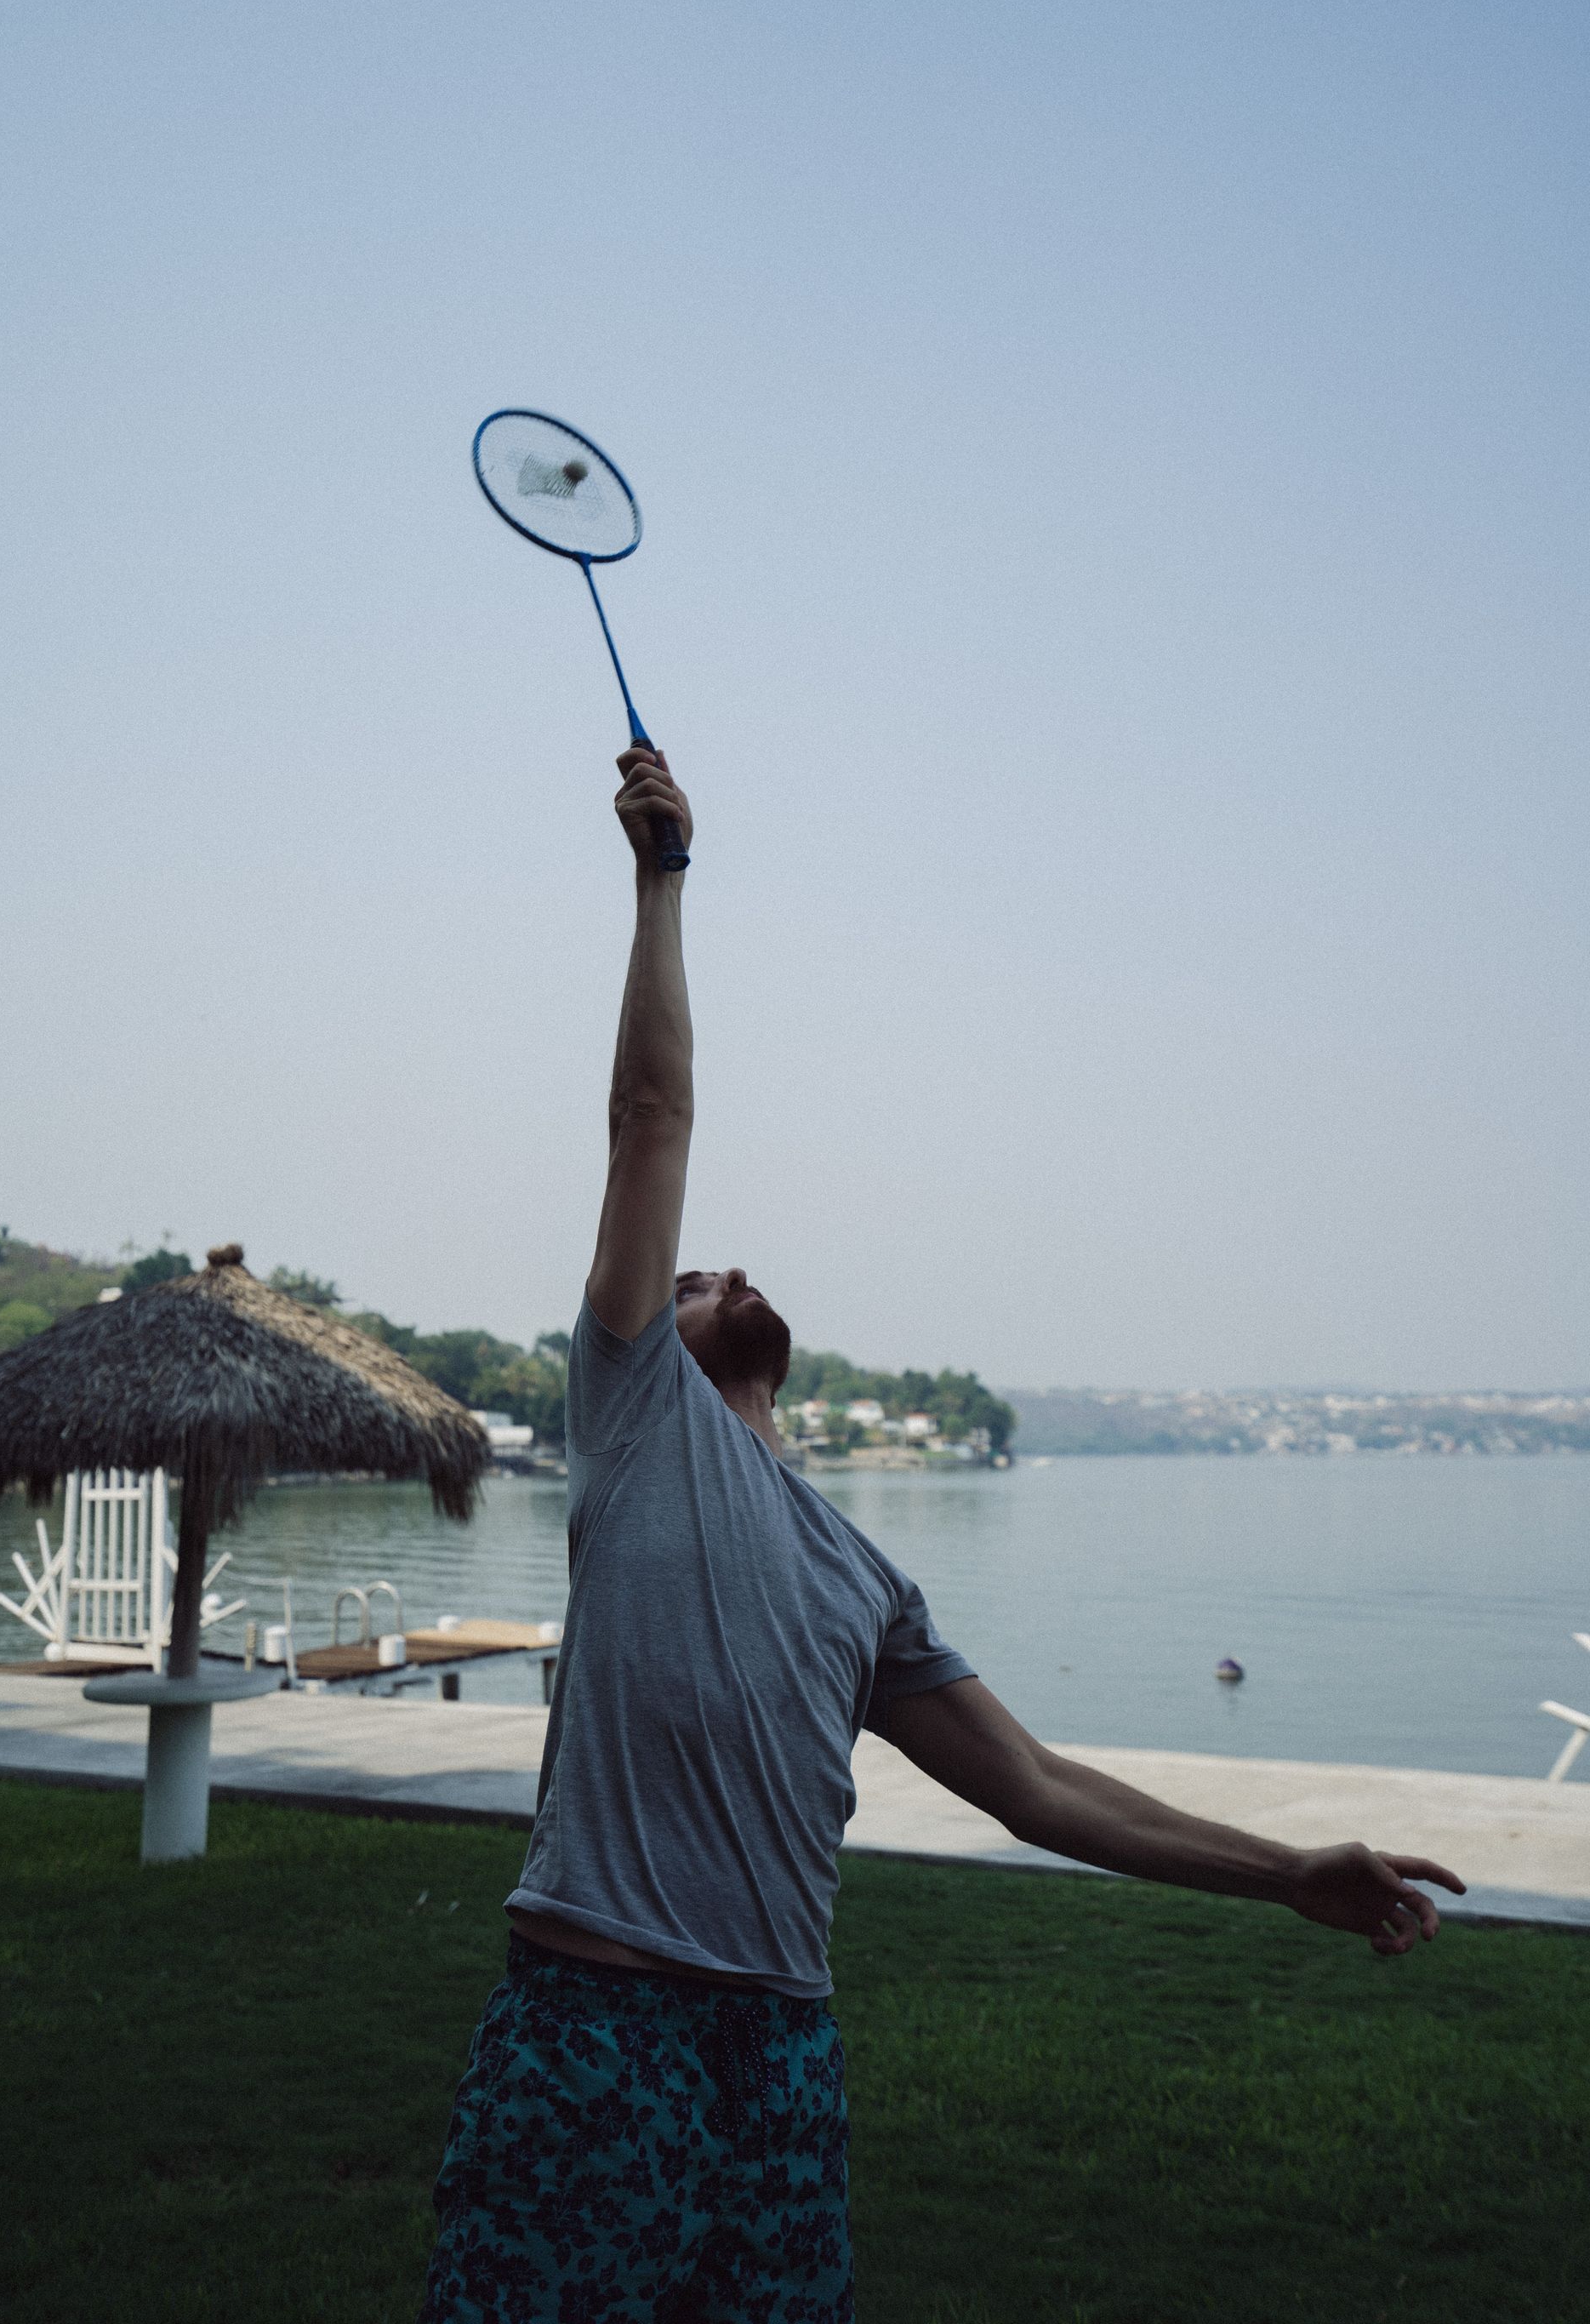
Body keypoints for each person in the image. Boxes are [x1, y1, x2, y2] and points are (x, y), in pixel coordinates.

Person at [419, 745, 1466, 2324]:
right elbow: (649, 1118)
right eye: (695, 1272)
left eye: (717, 1269)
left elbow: (1039, 1787)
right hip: (599, 2030)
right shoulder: (632, 1411)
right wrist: (661, 879)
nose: (718, 1267)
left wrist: (1283, 1872)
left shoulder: (864, 1577)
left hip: (782, 2054)